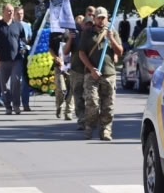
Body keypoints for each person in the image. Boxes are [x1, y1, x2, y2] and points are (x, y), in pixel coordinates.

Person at [78, 7, 123, 141]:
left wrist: (111, 39)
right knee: (92, 103)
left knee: (108, 106)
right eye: (99, 17)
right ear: (94, 18)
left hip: (109, 73)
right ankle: (89, 127)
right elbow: (81, 53)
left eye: (103, 18)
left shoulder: (112, 32)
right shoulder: (87, 33)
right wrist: (91, 69)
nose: (101, 20)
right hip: (91, 74)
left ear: (107, 18)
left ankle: (106, 130)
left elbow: (120, 52)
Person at [0, 3, 26, 115]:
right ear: (3, 12)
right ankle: (8, 106)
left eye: (12, 11)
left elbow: (24, 41)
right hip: (3, 59)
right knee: (4, 85)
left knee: (16, 82)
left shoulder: (18, 25)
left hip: (17, 59)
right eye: (8, 11)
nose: (11, 13)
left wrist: (25, 48)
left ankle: (16, 105)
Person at [65, 15, 91, 130]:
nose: (88, 27)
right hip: (77, 70)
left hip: (90, 70)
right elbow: (65, 51)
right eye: (87, 24)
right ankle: (82, 120)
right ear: (82, 25)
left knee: (90, 97)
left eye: (91, 24)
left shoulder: (94, 36)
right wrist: (70, 39)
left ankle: (90, 119)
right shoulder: (76, 36)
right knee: (78, 96)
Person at [49, 30, 73, 120]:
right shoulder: (53, 33)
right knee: (60, 88)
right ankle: (59, 105)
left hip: (70, 65)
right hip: (58, 65)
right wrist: (56, 57)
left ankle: (69, 111)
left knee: (71, 88)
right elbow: (50, 48)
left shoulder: (72, 31)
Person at [14, 6, 33, 111]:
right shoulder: (11, 25)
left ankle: (26, 103)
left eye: (21, 13)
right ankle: (15, 102)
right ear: (14, 15)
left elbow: (30, 39)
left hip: (25, 54)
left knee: (25, 80)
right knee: (16, 80)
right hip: (14, 56)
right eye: (18, 14)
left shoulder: (27, 25)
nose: (20, 15)